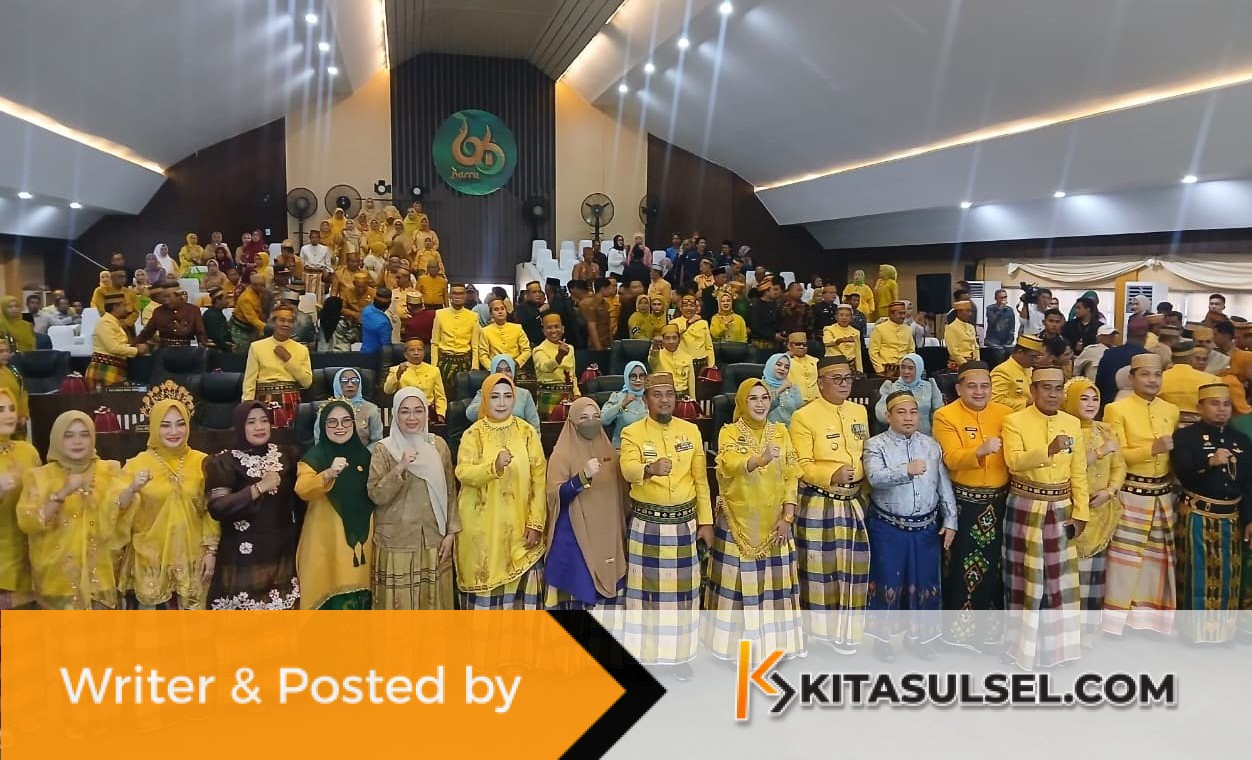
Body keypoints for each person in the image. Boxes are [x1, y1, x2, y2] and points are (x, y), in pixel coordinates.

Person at [619, 372, 713, 680]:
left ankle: (678, 656)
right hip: (647, 525)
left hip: (684, 524)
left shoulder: (690, 431)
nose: (664, 400)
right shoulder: (632, 432)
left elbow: (701, 481)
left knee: (682, 595)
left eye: (669, 394)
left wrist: (706, 522)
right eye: (657, 395)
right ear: (646, 399)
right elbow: (627, 469)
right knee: (644, 595)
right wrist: (649, 469)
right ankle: (643, 655)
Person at [705, 379, 804, 660]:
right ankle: (732, 650)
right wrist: (759, 460)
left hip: (775, 522)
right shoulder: (729, 432)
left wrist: (788, 515)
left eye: (764, 398)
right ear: (741, 402)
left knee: (774, 589)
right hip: (738, 522)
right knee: (738, 589)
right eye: (753, 398)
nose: (760, 404)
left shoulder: (781, 432)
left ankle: (774, 648)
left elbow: (791, 475)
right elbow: (728, 465)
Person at [1000, 367, 1088, 669]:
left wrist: (1081, 512)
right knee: (1024, 580)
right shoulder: (1014, 421)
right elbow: (1014, 462)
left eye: (1058, 388)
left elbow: (1078, 472)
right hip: (1026, 506)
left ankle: (1059, 650)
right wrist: (1048, 451)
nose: (1053, 394)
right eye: (1046, 388)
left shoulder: (1072, 423)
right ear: (1033, 391)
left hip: (1062, 507)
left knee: (1061, 582)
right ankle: (1020, 648)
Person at [862, 391, 957, 662]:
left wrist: (950, 520)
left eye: (913, 412)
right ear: (887, 415)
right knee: (887, 581)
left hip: (926, 528)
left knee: (924, 583)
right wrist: (906, 470)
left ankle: (920, 639)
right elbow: (875, 478)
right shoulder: (875, 445)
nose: (908, 418)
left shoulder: (931, 445)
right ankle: (882, 640)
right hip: (888, 527)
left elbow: (943, 484)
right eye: (901, 412)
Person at [789, 356, 871, 652]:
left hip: (854, 501)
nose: (844, 384)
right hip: (820, 502)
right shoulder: (804, 416)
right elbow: (799, 464)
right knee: (819, 571)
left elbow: (866, 452)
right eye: (836, 379)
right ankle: (818, 634)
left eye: (847, 378)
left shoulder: (859, 411)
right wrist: (829, 475)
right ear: (820, 382)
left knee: (852, 570)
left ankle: (846, 633)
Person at [930, 361, 1012, 650]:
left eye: (985, 386)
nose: (979, 392)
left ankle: (989, 633)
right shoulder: (945, 415)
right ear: (959, 389)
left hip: (1000, 503)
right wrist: (979, 451)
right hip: (965, 505)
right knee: (962, 567)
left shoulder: (1005, 414)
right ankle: (957, 635)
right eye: (972, 386)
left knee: (996, 567)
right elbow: (951, 458)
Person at [1101, 353, 1180, 636]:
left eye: (1157, 374)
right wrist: (1152, 449)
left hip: (1163, 495)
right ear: (1132, 377)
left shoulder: (1171, 410)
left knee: (1156, 561)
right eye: (1145, 374)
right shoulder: (1116, 409)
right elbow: (1116, 454)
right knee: (1124, 560)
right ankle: (1116, 622)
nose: (1152, 380)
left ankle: (1148, 620)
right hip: (1131, 493)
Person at [114, 397, 216, 609]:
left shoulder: (202, 461)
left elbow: (210, 510)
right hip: (151, 561)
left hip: (193, 560)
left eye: (180, 424)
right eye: (165, 425)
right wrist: (132, 488)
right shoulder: (136, 464)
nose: (174, 432)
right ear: (154, 427)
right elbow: (116, 509)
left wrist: (211, 552)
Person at [455, 374, 547, 609]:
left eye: (507, 396)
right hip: (483, 529)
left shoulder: (527, 433)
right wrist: (493, 467)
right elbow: (463, 472)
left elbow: (539, 479)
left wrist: (536, 523)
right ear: (486, 399)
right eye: (495, 397)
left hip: (520, 527)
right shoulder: (473, 434)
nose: (502, 402)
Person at [1170, 383, 1251, 644]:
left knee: (1230, 574)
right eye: (1214, 404)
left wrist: (1250, 518)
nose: (1221, 409)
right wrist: (1210, 462)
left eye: (1226, 404)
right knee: (1197, 574)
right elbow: (1184, 474)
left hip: (1232, 517)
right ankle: (1194, 632)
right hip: (1198, 514)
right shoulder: (1186, 437)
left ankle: (1224, 633)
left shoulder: (1241, 440)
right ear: (1200, 407)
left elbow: (1249, 483)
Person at [17, 412, 122, 609]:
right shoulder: (40, 477)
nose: (77, 441)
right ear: (57, 438)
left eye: (84, 434)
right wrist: (63, 492)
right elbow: (29, 523)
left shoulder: (108, 471)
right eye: (68, 435)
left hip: (101, 579)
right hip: (58, 583)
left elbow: (123, 519)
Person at [203, 402, 301, 610]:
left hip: (281, 554)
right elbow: (218, 507)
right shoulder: (225, 462)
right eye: (251, 422)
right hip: (242, 558)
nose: (259, 427)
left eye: (264, 420)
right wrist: (259, 488)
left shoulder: (287, 456)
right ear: (240, 426)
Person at [367, 389, 458, 610]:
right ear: (395, 415)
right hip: (397, 542)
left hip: (434, 540)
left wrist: (451, 533)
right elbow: (376, 495)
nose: (412, 418)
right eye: (404, 411)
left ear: (426, 414)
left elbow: (450, 491)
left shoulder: (438, 446)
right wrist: (400, 467)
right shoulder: (384, 449)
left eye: (418, 411)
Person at [543, 397, 627, 610]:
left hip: (608, 534)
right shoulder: (561, 454)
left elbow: (622, 494)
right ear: (572, 421)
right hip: (576, 535)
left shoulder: (609, 451)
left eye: (596, 417)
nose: (591, 422)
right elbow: (555, 496)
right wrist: (581, 478)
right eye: (584, 418)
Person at [1060, 379, 1125, 643]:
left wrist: (1110, 491)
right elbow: (1067, 466)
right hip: (1073, 510)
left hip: (1102, 511)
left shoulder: (1106, 430)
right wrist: (1099, 452)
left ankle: (1086, 631)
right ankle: (1065, 632)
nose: (1090, 404)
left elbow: (1119, 466)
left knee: (1092, 576)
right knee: (1069, 575)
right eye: (1084, 398)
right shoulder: (1065, 429)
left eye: (1094, 398)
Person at [296, 400, 376, 609]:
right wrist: (328, 473)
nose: (340, 427)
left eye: (346, 421)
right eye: (332, 422)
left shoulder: (365, 456)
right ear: (323, 425)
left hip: (364, 544)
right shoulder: (315, 457)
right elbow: (302, 489)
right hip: (327, 542)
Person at [242, 305, 314, 426]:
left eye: (290, 321)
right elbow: (249, 382)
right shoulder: (256, 347)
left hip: (291, 400)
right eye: (282, 320)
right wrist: (247, 407)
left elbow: (307, 382)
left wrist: (288, 359)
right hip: (263, 400)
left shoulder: (302, 349)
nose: (286, 324)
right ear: (273, 322)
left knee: (290, 436)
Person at [0, 388, 39, 609]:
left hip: (32, 562)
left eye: (11, 408)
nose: (8, 415)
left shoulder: (28, 451)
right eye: (0, 410)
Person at [85, 293, 147, 390]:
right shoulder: (105, 322)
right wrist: (136, 350)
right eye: (124, 306)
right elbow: (114, 348)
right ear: (115, 307)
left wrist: (133, 347)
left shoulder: (113, 322)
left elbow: (119, 344)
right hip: (103, 370)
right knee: (105, 399)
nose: (127, 309)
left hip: (112, 369)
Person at [464, 355, 541, 430]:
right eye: (498, 370)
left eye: (508, 370)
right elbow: (470, 414)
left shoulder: (524, 394)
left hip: (518, 437)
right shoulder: (484, 391)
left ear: (513, 372)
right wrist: (488, 399)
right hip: (489, 436)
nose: (503, 374)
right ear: (492, 372)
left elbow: (534, 426)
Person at [874, 353, 943, 435]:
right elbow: (881, 414)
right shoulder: (891, 387)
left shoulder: (930, 386)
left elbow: (939, 412)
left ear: (919, 369)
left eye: (910, 368)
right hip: (898, 436)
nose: (906, 371)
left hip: (926, 435)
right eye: (903, 367)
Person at [431, 284, 481, 395]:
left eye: (461, 293)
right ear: (449, 295)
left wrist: (475, 366)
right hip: (444, 361)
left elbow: (475, 345)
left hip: (464, 362)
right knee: (444, 394)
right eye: (454, 293)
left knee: (464, 395)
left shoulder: (473, 316)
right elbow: (434, 343)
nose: (457, 296)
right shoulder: (439, 314)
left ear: (465, 296)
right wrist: (434, 366)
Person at [314, 368, 383, 448]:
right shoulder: (326, 409)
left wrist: (363, 454)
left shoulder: (371, 409)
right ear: (337, 384)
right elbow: (319, 441)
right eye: (344, 381)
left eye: (355, 380)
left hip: (363, 454)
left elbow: (377, 441)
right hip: (331, 454)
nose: (350, 384)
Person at [382, 339, 448, 419]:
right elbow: (388, 390)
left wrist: (440, 415)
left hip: (427, 413)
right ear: (405, 354)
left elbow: (440, 397)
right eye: (412, 350)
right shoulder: (396, 370)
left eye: (419, 350)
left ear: (424, 353)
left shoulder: (434, 370)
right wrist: (398, 374)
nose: (416, 353)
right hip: (404, 412)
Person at [1159, 341, 1219, 425]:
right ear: (1191, 358)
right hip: (1200, 427)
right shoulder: (1212, 379)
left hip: (1165, 425)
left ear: (1172, 358)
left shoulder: (1159, 378)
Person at [533, 313, 579, 417]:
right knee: (551, 424)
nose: (553, 330)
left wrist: (576, 393)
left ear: (563, 329)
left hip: (569, 395)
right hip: (547, 396)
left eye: (556, 327)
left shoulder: (570, 348)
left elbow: (573, 375)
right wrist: (559, 356)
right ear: (544, 331)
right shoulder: (539, 350)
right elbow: (545, 367)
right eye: (549, 328)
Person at [134, 283, 208, 347]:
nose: (165, 300)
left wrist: (204, 344)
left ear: (178, 296)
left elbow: (200, 333)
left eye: (168, 296)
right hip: (164, 349)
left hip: (186, 349)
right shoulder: (159, 311)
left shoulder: (192, 310)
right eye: (164, 296)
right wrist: (135, 345)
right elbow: (147, 332)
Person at [602, 361, 649, 447]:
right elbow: (603, 420)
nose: (638, 380)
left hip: (647, 446)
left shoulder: (650, 397)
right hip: (622, 446)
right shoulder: (618, 397)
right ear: (627, 377)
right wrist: (622, 404)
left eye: (641, 376)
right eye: (633, 376)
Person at [991, 334, 1042, 411]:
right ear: (1020, 352)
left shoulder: (1030, 369)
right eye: (1033, 357)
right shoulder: (1003, 371)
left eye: (1037, 357)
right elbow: (995, 401)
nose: (1035, 361)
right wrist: (1026, 403)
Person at [479, 298, 531, 372]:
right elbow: (483, 355)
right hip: (494, 369)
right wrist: (493, 368)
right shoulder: (485, 331)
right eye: (496, 309)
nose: (500, 312)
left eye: (502, 309)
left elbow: (526, 350)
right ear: (491, 314)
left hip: (516, 367)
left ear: (506, 311)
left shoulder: (517, 328)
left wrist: (516, 362)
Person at [868, 301, 915, 377]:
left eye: (904, 313)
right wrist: (880, 369)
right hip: (886, 369)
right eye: (900, 313)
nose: (903, 316)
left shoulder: (908, 329)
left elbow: (911, 351)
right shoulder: (879, 329)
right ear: (891, 314)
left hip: (904, 369)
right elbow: (873, 352)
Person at [649, 324, 695, 398]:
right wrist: (655, 344)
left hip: (683, 398)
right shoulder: (657, 356)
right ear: (662, 340)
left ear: (679, 339)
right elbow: (653, 356)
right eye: (667, 338)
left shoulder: (687, 357)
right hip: (664, 398)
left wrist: (693, 400)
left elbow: (691, 383)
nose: (671, 342)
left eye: (674, 338)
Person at [672, 294, 714, 374]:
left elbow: (709, 347)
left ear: (696, 308)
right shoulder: (674, 323)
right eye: (685, 306)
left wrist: (711, 366)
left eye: (691, 305)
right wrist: (689, 323)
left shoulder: (703, 323)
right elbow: (674, 338)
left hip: (702, 364)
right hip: (682, 365)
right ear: (681, 308)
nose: (689, 308)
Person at [761, 352, 804, 426]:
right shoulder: (759, 386)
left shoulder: (793, 388)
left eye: (786, 367)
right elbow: (762, 408)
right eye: (779, 365)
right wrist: (780, 389)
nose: (782, 369)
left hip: (791, 429)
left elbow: (801, 411)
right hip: (768, 429)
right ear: (770, 365)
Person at [231, 274, 269, 354]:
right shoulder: (246, 298)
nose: (263, 287)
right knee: (243, 352)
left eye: (263, 285)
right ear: (254, 285)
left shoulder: (259, 293)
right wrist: (266, 328)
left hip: (253, 328)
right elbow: (252, 319)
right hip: (241, 329)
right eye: (261, 285)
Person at [822, 304, 863, 375]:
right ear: (836, 317)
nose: (844, 317)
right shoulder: (828, 329)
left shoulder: (856, 332)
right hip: (834, 363)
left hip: (850, 364)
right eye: (841, 315)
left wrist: (859, 369)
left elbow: (857, 352)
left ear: (851, 318)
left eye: (847, 315)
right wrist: (840, 340)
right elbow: (827, 342)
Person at [748, 280, 784, 354]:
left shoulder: (775, 304)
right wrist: (773, 335)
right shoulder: (755, 306)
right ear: (766, 292)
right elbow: (755, 328)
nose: (776, 292)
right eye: (774, 290)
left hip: (776, 344)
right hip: (761, 345)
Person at [785, 331, 819, 403]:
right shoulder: (783, 361)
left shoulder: (815, 361)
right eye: (798, 344)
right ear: (789, 346)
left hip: (815, 401)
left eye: (804, 345)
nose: (801, 347)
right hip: (793, 402)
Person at [299, 229, 332, 302]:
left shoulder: (325, 248)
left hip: (320, 275)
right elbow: (301, 263)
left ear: (319, 238)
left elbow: (328, 263)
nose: (314, 239)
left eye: (316, 237)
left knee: (319, 296)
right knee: (307, 295)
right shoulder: (304, 248)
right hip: (307, 274)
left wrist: (327, 272)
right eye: (313, 237)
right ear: (310, 238)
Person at [359, 287, 394, 355]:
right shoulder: (384, 323)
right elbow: (386, 346)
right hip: (376, 356)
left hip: (364, 351)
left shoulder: (366, 310)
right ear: (389, 304)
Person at [946, 299, 980, 368]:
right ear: (959, 312)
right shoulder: (951, 327)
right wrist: (965, 364)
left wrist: (977, 363)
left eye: (970, 311)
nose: (970, 314)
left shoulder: (971, 327)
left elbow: (976, 347)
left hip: (973, 362)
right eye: (967, 311)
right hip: (958, 363)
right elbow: (953, 351)